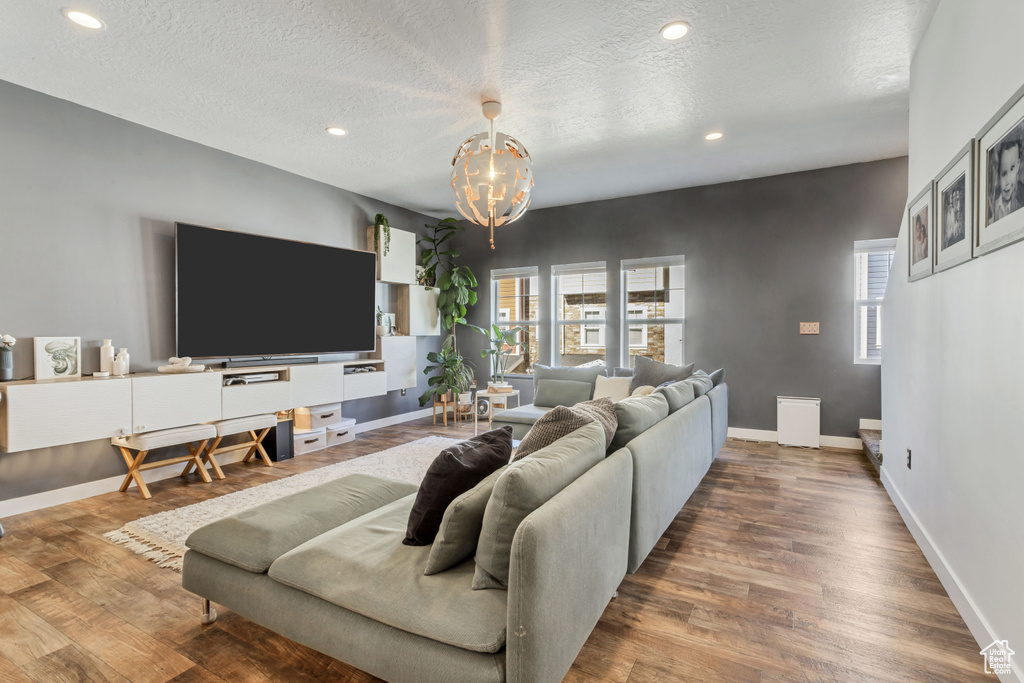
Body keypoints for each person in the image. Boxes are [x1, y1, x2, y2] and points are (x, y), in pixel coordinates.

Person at [990, 138, 1023, 222]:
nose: (1008, 181)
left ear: (1018, 165)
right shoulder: (993, 203)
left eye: (1012, 168)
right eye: (1004, 174)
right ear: (997, 176)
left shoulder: (1021, 198)